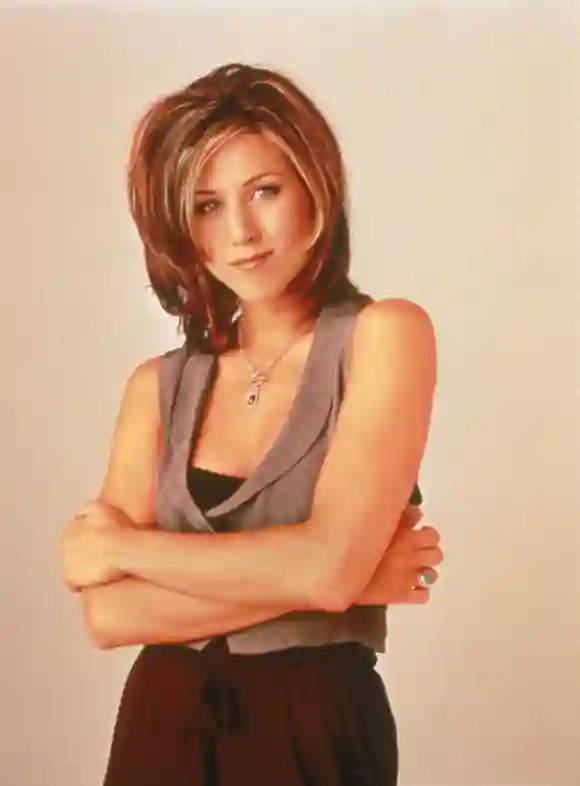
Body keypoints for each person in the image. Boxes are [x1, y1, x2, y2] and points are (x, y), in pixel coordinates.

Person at [58, 62, 442, 786]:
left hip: (313, 727)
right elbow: (109, 618)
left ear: (315, 186)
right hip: (160, 726)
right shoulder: (157, 386)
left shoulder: (385, 336)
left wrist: (123, 548)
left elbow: (328, 570)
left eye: (265, 191)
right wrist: (343, 581)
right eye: (207, 205)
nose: (240, 233)